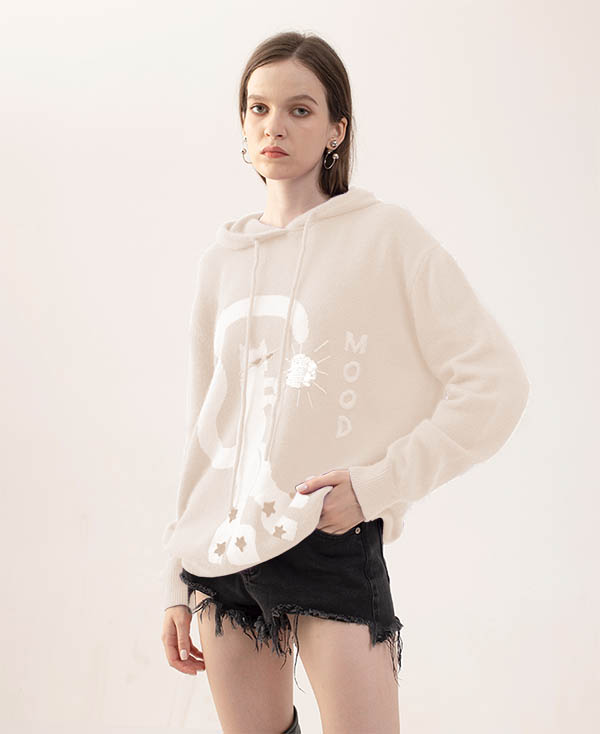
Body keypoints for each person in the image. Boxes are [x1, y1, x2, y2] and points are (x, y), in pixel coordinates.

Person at [160, 30, 530, 734]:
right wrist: (176, 578)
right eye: (259, 108)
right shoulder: (221, 261)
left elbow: (496, 384)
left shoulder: (386, 236)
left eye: (299, 110)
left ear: (337, 128)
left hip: (327, 539)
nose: (274, 126)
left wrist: (377, 485)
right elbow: (206, 430)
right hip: (222, 556)